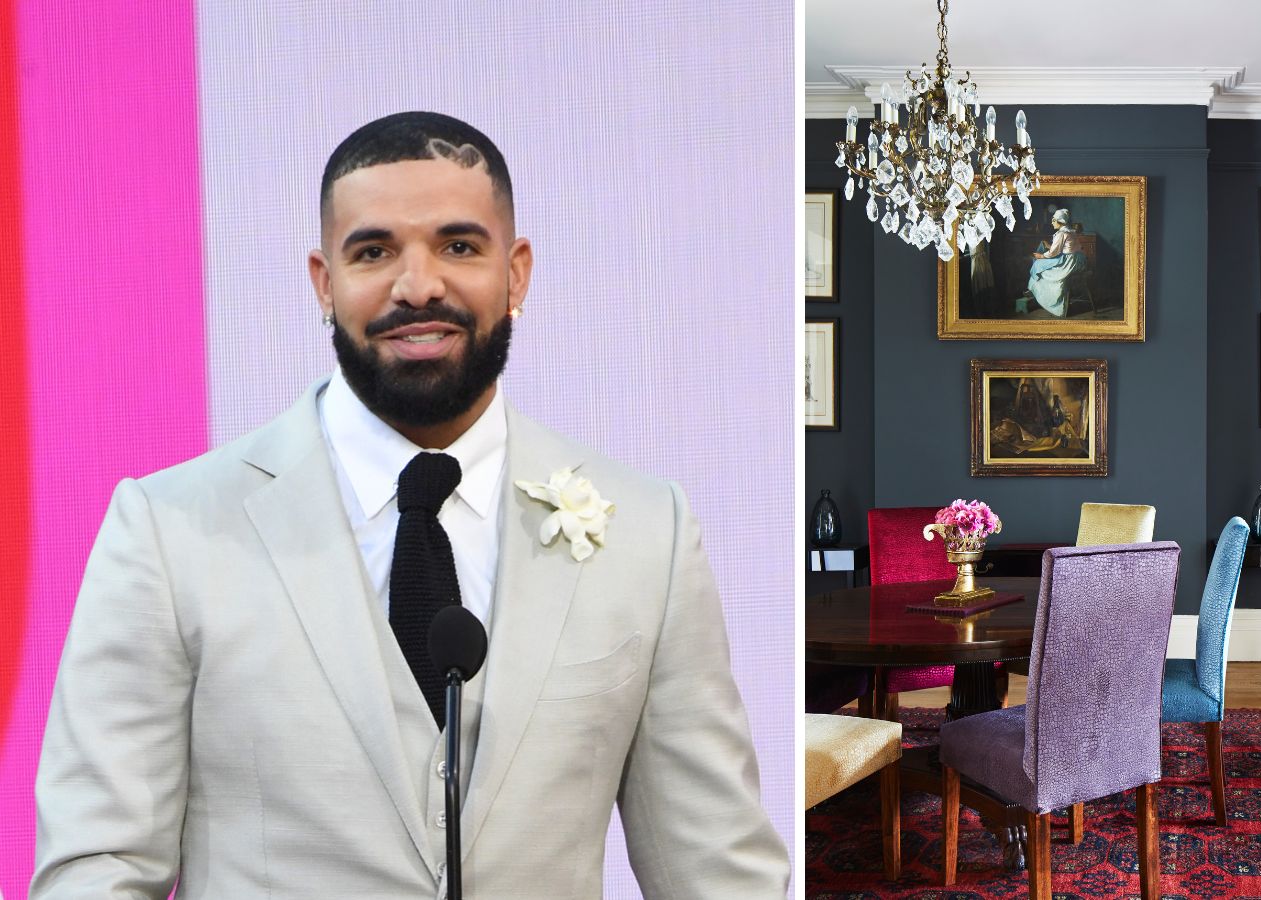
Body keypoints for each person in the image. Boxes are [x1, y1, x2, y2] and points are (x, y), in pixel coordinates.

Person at [32, 111, 789, 898]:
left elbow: (717, 867)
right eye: (374, 251)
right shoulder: (167, 529)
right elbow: (98, 864)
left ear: (516, 272)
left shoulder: (648, 534)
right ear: (325, 283)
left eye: (459, 246)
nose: (418, 285)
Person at [1022, 208, 1084, 316]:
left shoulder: (1061, 233)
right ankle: (1032, 289)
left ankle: (1033, 289)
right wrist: (1049, 246)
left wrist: (1041, 256)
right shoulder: (1070, 231)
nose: (1052, 222)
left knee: (1038, 264)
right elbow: (1062, 248)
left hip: (1067, 262)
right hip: (1076, 260)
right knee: (1041, 263)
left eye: (1054, 220)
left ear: (1060, 222)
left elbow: (1053, 253)